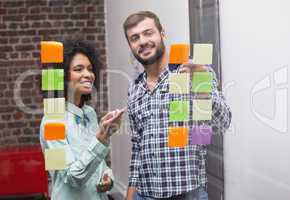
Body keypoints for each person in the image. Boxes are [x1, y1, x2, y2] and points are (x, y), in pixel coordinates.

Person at [123, 11, 232, 200]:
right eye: (135, 38)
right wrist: (130, 194)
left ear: (162, 33)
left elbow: (222, 123)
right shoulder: (135, 89)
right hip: (145, 194)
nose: (142, 41)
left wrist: (201, 82)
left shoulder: (191, 72)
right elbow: (138, 145)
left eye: (148, 33)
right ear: (131, 45)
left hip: (188, 194)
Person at [39, 38, 125, 200]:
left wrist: (107, 176)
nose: (88, 75)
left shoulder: (89, 113)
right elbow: (71, 178)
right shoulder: (52, 120)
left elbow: (97, 163)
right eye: (79, 69)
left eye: (90, 69)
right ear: (63, 76)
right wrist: (102, 138)